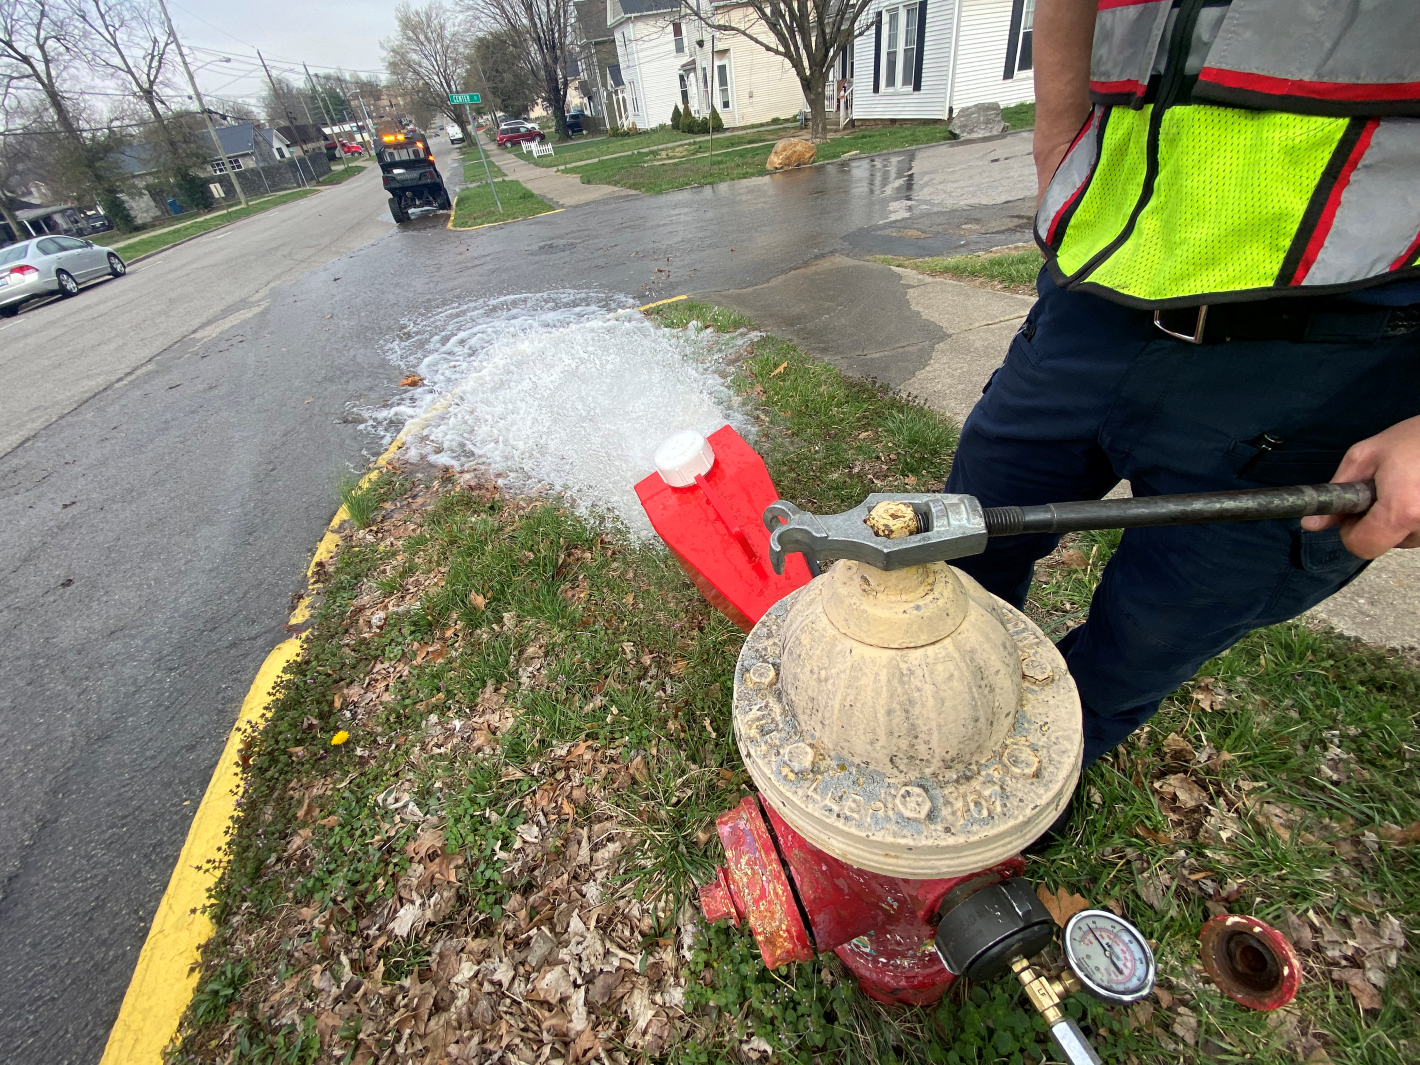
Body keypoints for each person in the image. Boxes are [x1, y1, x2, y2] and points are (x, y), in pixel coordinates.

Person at [945, 0, 1420, 786]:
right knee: (964, 556)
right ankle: (944, 725)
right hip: (1092, 299)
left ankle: (1007, 806)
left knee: (1136, 644)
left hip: (1328, 355)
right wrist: (1057, 142)